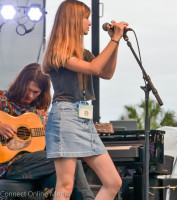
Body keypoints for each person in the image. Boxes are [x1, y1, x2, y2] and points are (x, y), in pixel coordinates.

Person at [42, 1, 125, 199]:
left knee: (113, 182)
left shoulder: (84, 54)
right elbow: (94, 69)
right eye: (86, 18)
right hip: (66, 116)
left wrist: (116, 41)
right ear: (73, 21)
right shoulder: (58, 51)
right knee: (65, 186)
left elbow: (106, 72)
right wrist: (114, 41)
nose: (90, 23)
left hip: (82, 118)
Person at [0, 63, 95, 200]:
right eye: (28, 90)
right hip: (7, 164)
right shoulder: (2, 98)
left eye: (35, 92)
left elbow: (46, 145)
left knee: (66, 174)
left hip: (34, 165)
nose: (30, 95)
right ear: (20, 84)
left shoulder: (40, 113)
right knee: (68, 159)